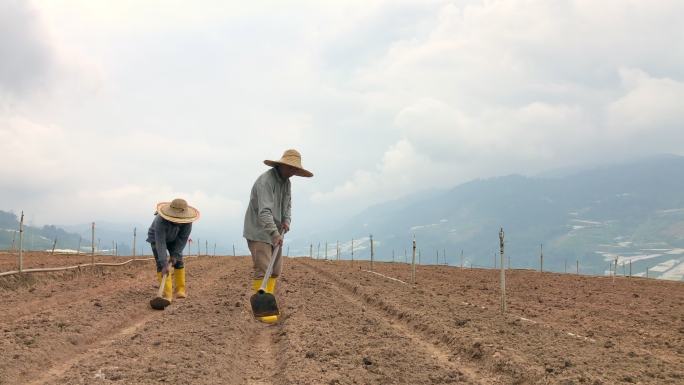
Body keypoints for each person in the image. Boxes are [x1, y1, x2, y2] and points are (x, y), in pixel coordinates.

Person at [244, 149, 313, 323]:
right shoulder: (266, 181)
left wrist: (287, 220)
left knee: (275, 270)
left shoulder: (286, 182)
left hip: (275, 229)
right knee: (263, 269)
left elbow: (288, 204)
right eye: (290, 168)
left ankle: (268, 301)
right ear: (281, 165)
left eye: (295, 170)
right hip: (259, 230)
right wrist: (275, 234)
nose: (292, 172)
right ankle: (261, 311)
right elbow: (264, 212)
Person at [147, 198, 200, 303]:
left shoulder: (187, 222)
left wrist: (175, 255)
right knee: (161, 265)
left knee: (178, 261)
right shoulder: (160, 221)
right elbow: (160, 242)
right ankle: (167, 295)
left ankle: (180, 290)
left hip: (175, 238)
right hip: (156, 238)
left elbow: (182, 239)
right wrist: (164, 263)